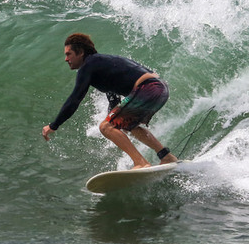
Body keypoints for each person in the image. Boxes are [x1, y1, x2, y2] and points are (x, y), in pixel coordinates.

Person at [42, 33, 179, 169]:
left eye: (69, 54)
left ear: (81, 52)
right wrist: (113, 119)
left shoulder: (88, 66)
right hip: (160, 89)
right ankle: (166, 156)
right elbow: (113, 99)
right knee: (124, 125)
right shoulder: (100, 65)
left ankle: (141, 163)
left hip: (149, 88)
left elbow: (74, 99)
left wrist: (53, 126)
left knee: (106, 127)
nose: (66, 59)